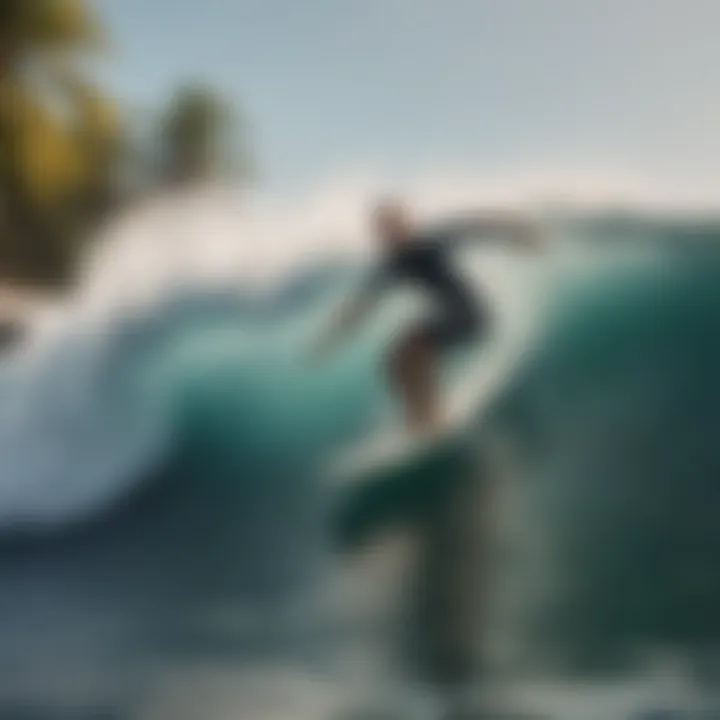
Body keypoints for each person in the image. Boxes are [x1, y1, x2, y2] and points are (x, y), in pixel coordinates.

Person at [312, 199, 540, 433]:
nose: (388, 235)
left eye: (392, 226)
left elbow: (475, 226)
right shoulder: (395, 264)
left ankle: (433, 417)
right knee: (395, 360)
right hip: (450, 317)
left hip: (471, 315)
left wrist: (518, 231)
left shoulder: (430, 243)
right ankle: (420, 416)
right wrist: (330, 339)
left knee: (413, 345)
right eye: (382, 231)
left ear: (406, 225)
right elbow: (362, 304)